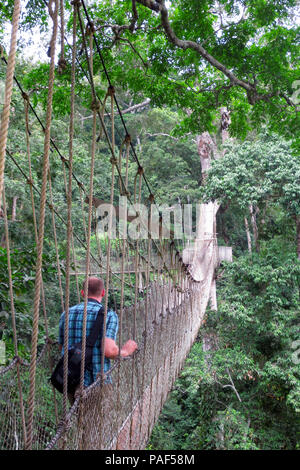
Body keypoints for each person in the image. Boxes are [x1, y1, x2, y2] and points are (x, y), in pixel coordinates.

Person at [58, 276, 138, 404]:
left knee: (80, 420)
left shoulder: (66, 314)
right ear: (103, 292)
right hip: (97, 382)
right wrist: (126, 351)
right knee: (102, 423)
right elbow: (109, 351)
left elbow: (62, 348)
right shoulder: (108, 314)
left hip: (71, 381)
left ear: (82, 293)